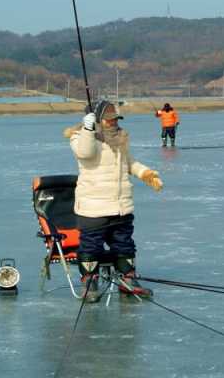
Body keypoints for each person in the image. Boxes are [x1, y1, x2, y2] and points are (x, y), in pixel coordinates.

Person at [64, 100, 164, 302]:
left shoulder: (119, 139)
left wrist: (145, 173)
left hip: (121, 207)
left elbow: (129, 162)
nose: (113, 123)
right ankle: (89, 282)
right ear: (98, 120)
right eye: (109, 120)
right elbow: (86, 152)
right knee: (91, 247)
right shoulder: (80, 138)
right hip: (94, 208)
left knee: (124, 244)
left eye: (116, 119)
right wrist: (88, 128)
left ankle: (128, 280)